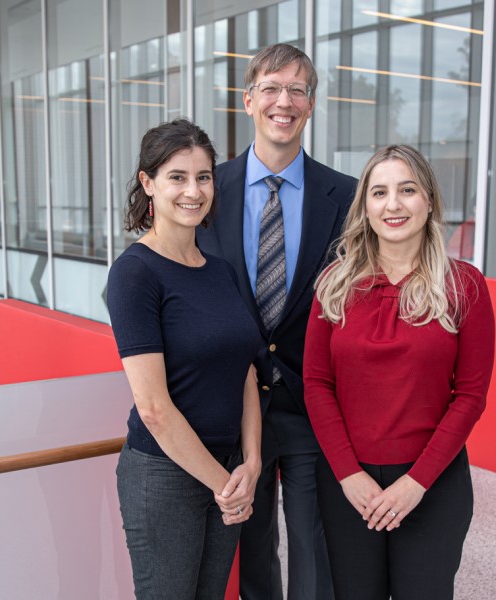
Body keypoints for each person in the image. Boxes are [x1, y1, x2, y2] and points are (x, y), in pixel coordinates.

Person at [195, 43, 356, 600]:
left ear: (311, 104)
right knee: (251, 544)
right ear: (248, 99)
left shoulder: (348, 196)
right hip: (235, 402)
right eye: (271, 87)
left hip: (314, 401)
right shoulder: (207, 191)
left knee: (316, 546)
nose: (283, 101)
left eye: (297, 90)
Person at [304, 145, 495, 599]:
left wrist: (416, 483)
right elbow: (316, 384)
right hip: (348, 485)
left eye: (407, 190)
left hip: (433, 484)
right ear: (364, 207)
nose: (393, 204)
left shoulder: (464, 285)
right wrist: (349, 474)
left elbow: (470, 396)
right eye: (379, 192)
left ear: (428, 201)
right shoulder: (334, 285)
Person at [107, 118, 263, 600]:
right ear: (148, 183)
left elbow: (246, 370)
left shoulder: (221, 270)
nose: (193, 191)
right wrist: (226, 485)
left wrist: (252, 462)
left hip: (228, 469)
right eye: (177, 176)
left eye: (203, 176)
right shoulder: (134, 274)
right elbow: (153, 408)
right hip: (165, 475)